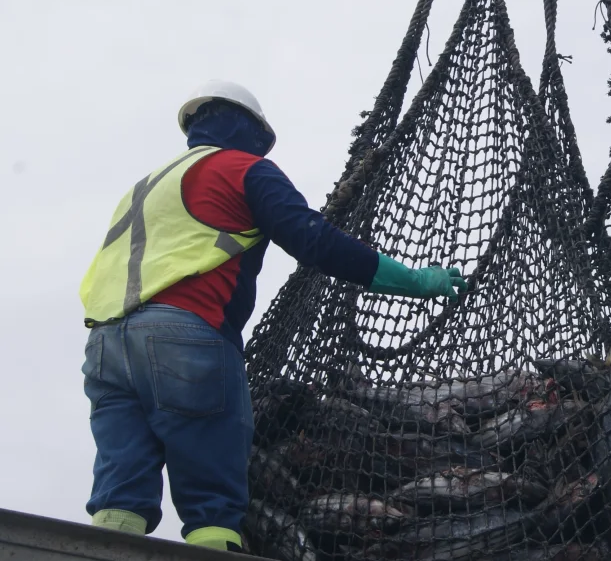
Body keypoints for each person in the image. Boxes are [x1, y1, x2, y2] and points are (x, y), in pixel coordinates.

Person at [77, 80, 466, 551]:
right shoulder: (243, 169)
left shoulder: (145, 187)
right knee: (212, 494)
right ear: (251, 130)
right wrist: (413, 281)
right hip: (185, 335)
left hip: (106, 348)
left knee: (120, 490)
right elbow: (315, 241)